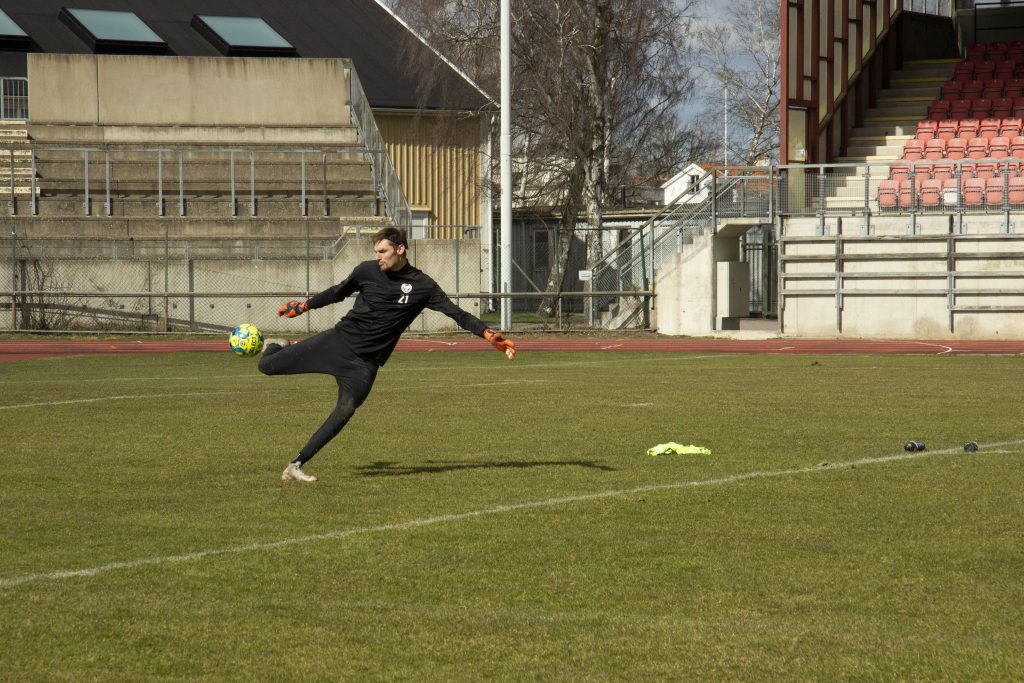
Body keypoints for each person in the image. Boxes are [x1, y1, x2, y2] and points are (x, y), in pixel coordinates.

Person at [259, 226, 516, 482]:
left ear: (400, 249)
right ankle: (277, 344)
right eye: (376, 252)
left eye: (383, 251)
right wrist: (303, 306)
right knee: (267, 367)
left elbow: (456, 314)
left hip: (364, 366)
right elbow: (337, 292)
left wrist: (487, 334)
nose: (378, 256)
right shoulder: (366, 271)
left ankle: (296, 465)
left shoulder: (422, 285)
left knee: (345, 410)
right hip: (338, 343)